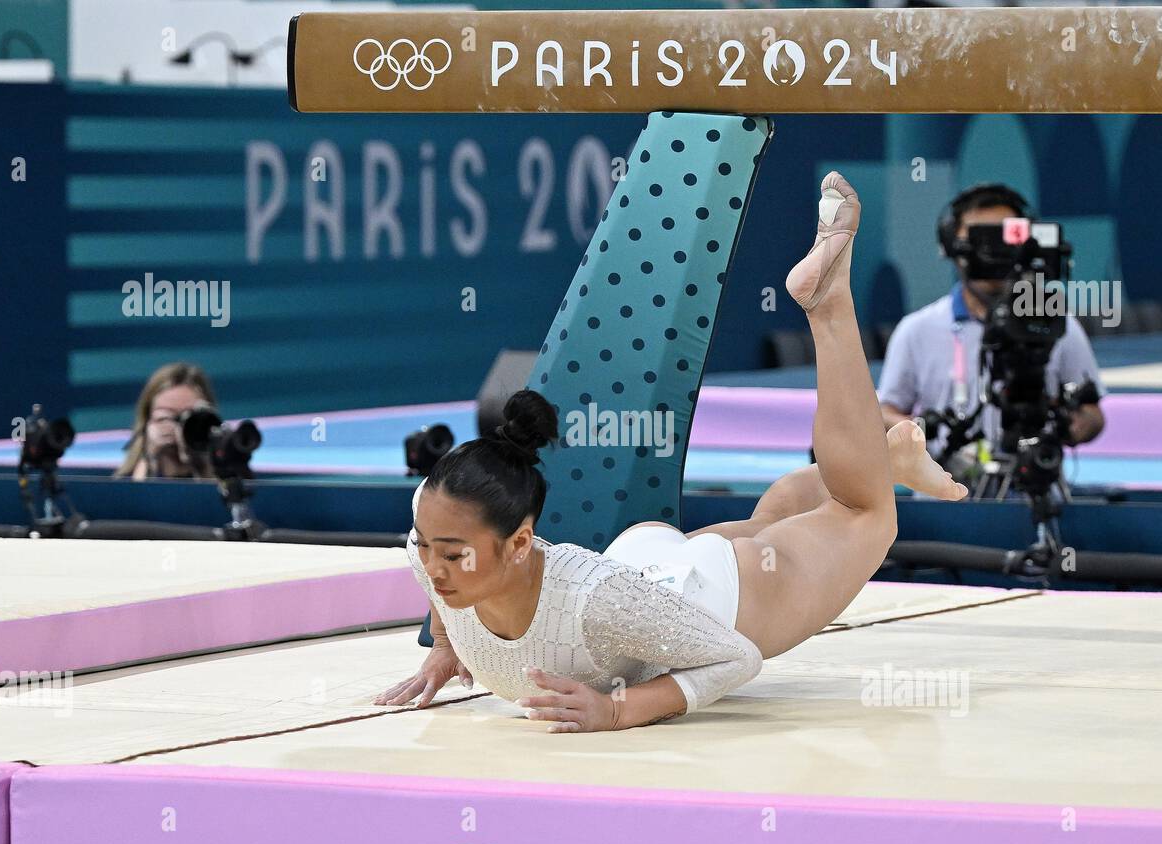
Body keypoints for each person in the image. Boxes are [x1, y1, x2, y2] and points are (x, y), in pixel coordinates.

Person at [375, 171, 966, 732]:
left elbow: (735, 659)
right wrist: (445, 651)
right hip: (648, 579)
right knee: (772, 522)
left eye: (451, 555)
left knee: (862, 512)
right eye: (429, 547)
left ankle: (828, 305)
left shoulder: (592, 604)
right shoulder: (434, 542)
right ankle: (888, 458)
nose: (432, 566)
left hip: (712, 604)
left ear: (522, 542)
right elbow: (427, 565)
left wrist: (618, 711)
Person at [877, 183, 1107, 487]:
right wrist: (921, 432)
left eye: (1005, 238)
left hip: (1034, 491)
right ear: (953, 247)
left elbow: (1093, 414)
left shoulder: (1054, 322)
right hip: (946, 493)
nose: (994, 253)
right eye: (981, 240)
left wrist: (1068, 428)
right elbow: (884, 414)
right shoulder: (917, 330)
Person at [114, 362, 218, 479]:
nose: (179, 428)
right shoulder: (121, 483)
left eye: (189, 417)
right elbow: (134, 494)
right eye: (165, 418)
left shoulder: (234, 477)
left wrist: (202, 465)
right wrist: (150, 458)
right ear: (147, 422)